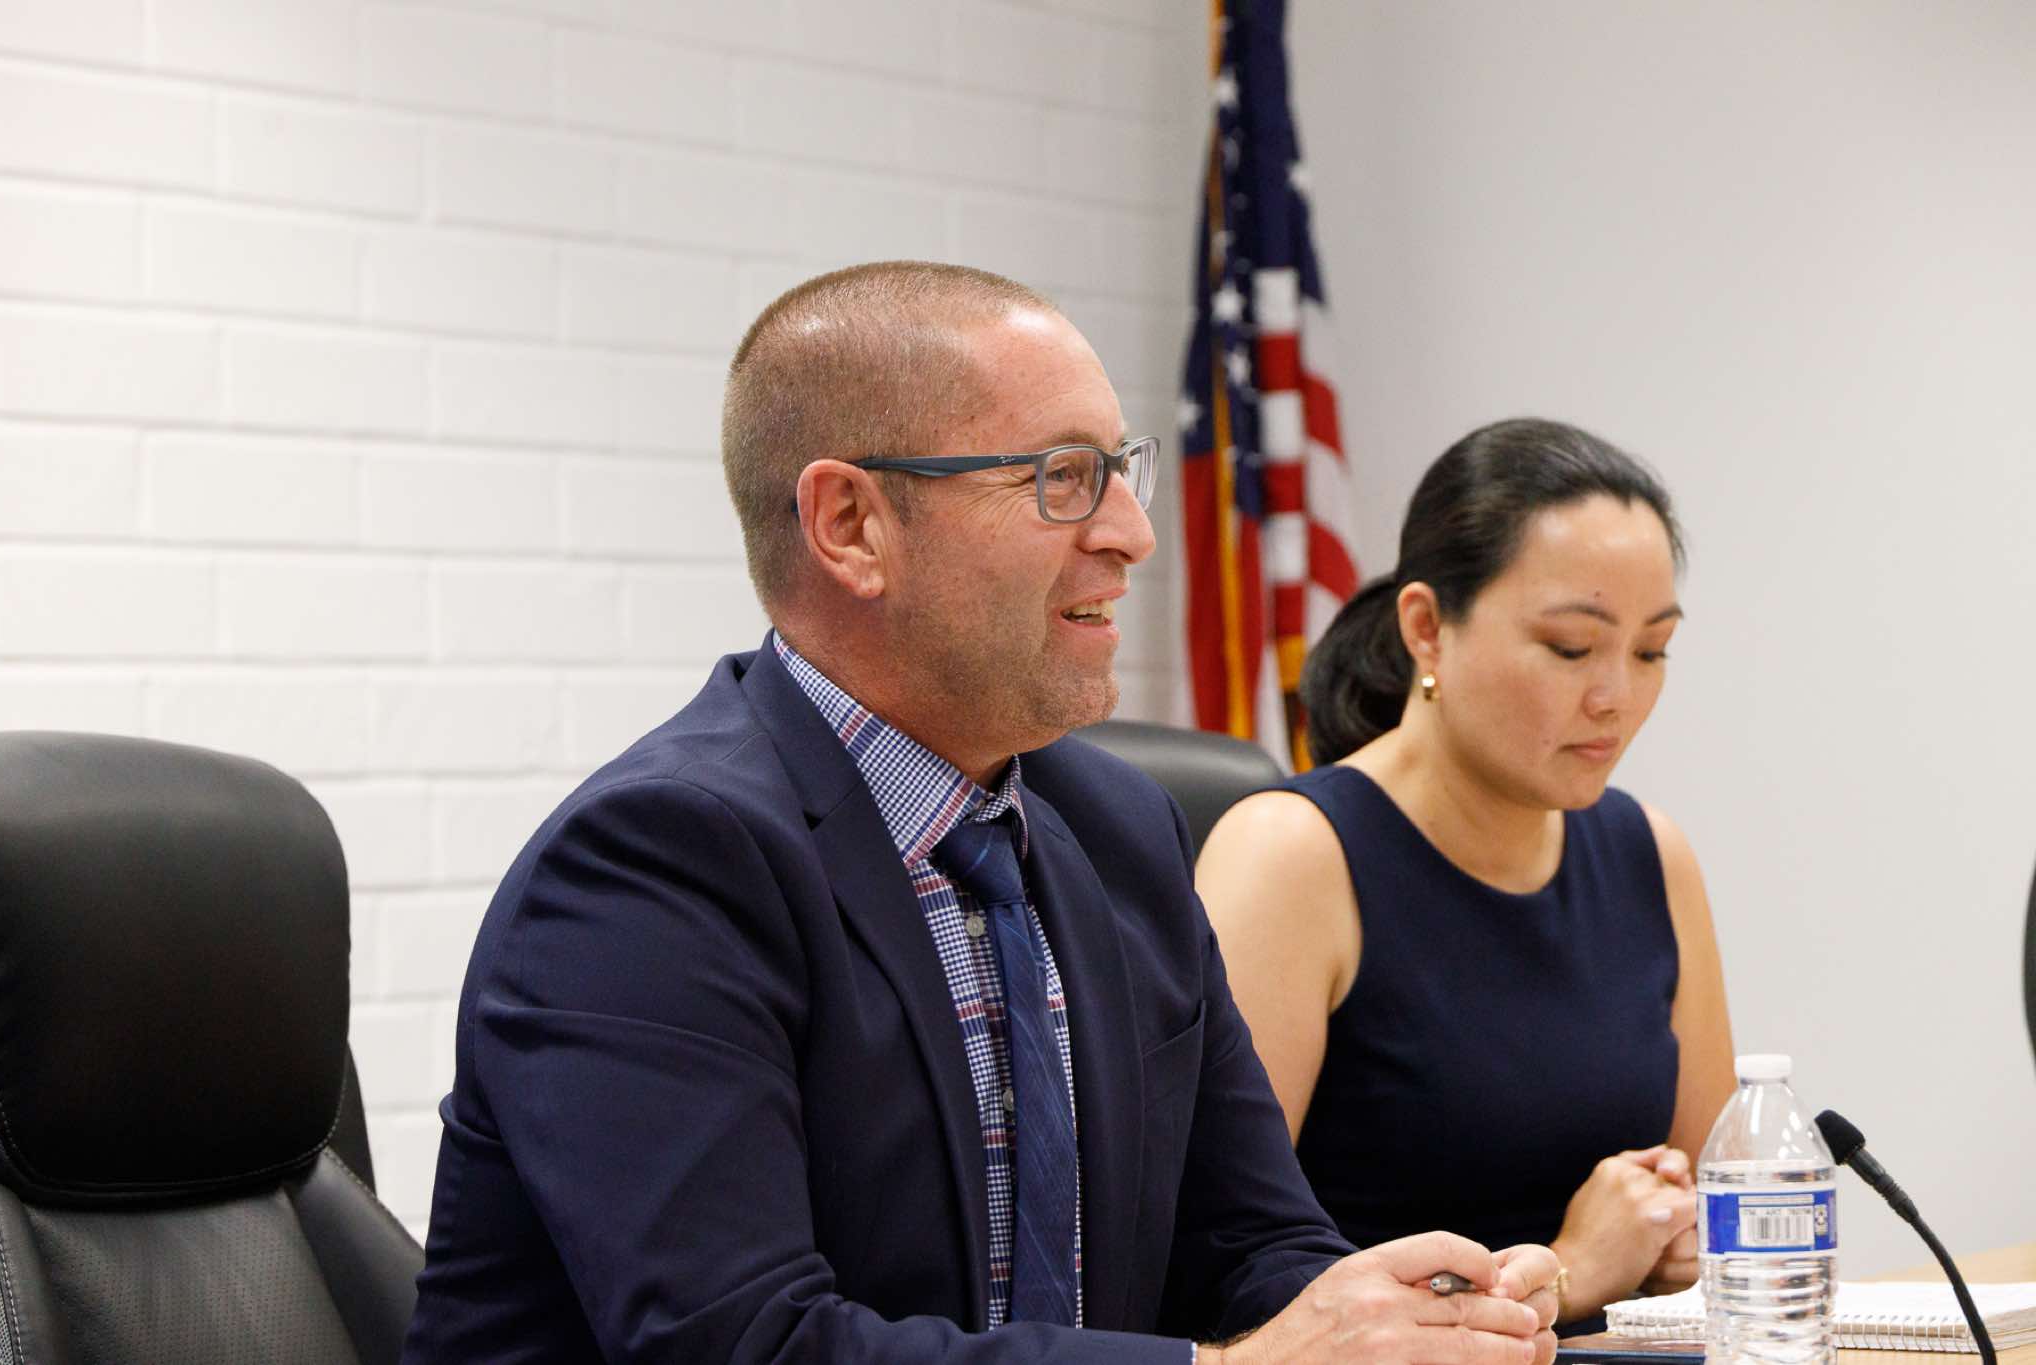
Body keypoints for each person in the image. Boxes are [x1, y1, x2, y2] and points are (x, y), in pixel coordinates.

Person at [401, 264, 1562, 1363]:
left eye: (1121, 470)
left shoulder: (1121, 828)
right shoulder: (656, 864)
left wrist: (1417, 1319)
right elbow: (748, 1345)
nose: (1131, 532)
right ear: (850, 526)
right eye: (1061, 477)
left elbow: (1247, 1245)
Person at [1196, 418, 1736, 1331]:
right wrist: (1568, 1271)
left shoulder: (1651, 852)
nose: (1615, 695)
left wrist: (1684, 1237)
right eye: (1572, 647)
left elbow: (1723, 1203)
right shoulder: (1291, 854)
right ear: (1426, 629)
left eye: (1650, 651)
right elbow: (1216, 1267)